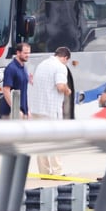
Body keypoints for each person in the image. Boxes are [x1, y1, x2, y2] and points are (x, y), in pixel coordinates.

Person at [30, 46, 72, 176]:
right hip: (51, 109)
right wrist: (67, 90)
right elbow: (60, 86)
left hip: (37, 108)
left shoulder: (42, 64)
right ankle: (57, 171)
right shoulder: (60, 67)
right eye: (67, 61)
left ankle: (44, 172)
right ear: (65, 58)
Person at [2, 42, 31, 119]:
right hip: (11, 113)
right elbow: (6, 90)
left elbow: (24, 91)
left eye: (28, 53)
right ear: (18, 53)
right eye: (25, 53)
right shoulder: (11, 68)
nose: (27, 55)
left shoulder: (24, 67)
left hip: (23, 111)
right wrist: (15, 109)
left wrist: (27, 110)